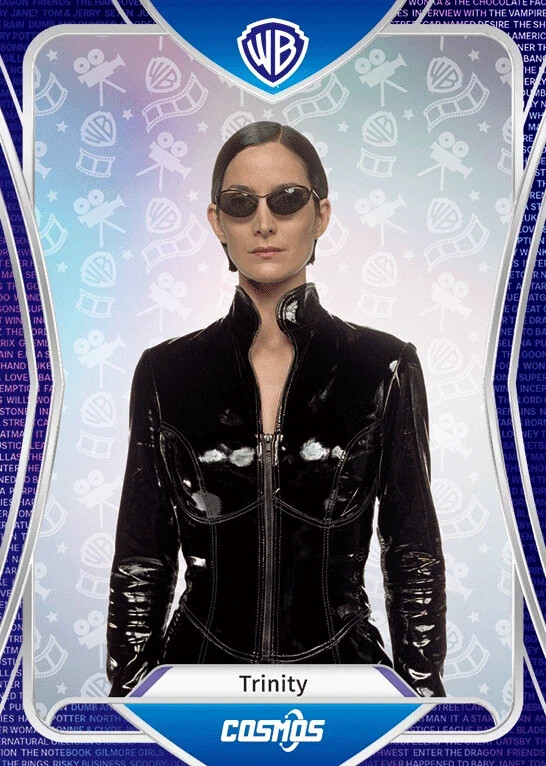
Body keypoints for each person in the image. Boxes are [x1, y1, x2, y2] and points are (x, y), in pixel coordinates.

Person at [106, 121, 447, 698]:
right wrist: (131, 699)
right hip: (196, 684)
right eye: (241, 204)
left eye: (287, 200)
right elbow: (142, 556)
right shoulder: (167, 372)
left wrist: (423, 701)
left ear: (321, 214)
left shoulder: (383, 366)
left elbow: (412, 551)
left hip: (343, 683)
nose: (263, 223)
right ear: (217, 221)